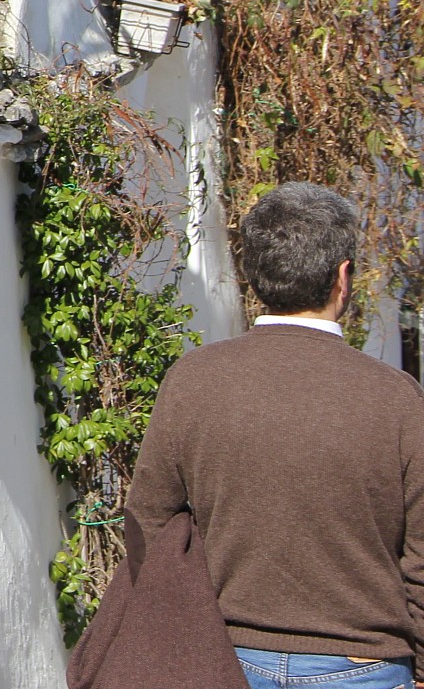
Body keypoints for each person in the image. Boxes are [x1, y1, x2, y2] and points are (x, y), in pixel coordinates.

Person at [126, 182, 424, 689]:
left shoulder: (194, 379)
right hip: (362, 665)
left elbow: (147, 521)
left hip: (224, 658)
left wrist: (184, 634)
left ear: (253, 275)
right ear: (343, 276)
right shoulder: (396, 397)